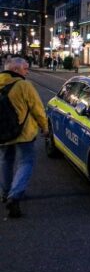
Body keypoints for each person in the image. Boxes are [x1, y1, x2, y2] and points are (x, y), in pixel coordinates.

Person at [0, 57, 48, 218]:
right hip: (23, 133)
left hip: (2, 132)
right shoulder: (24, 85)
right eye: (25, 69)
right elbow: (37, 109)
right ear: (15, 70)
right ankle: (15, 195)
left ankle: (5, 193)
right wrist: (45, 127)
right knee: (26, 162)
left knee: (5, 160)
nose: (27, 71)